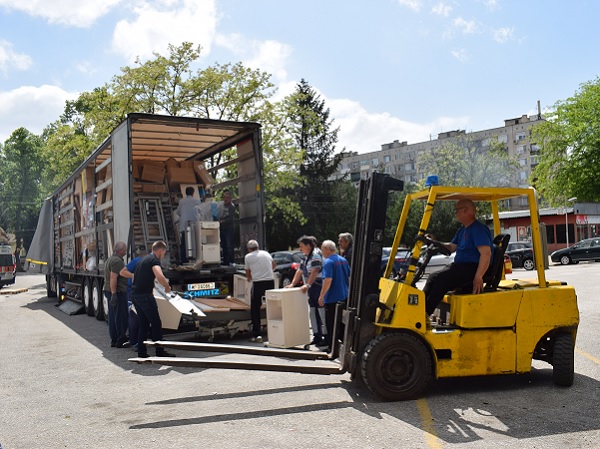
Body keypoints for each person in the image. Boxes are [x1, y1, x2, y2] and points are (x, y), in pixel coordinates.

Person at [423, 199, 493, 316]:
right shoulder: (462, 230)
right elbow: (451, 247)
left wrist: (478, 276)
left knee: (441, 280)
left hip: (472, 268)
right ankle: (419, 311)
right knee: (432, 277)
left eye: (457, 210)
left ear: (465, 210)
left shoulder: (478, 229)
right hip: (461, 267)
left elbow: (486, 254)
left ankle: (425, 314)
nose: (455, 213)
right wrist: (435, 242)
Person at [131, 240, 176, 358]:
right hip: (145, 297)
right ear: (160, 250)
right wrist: (167, 287)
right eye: (164, 252)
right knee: (156, 323)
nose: (163, 255)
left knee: (144, 324)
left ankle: (142, 352)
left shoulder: (143, 260)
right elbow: (159, 275)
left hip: (136, 295)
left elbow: (139, 277)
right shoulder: (154, 260)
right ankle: (159, 352)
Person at [287, 235, 327, 346]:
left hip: (317, 285)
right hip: (311, 287)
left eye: (302, 246)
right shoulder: (305, 257)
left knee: (321, 311)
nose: (300, 249)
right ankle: (317, 335)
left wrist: (308, 285)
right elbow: (299, 271)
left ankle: (326, 336)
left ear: (308, 246)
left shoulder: (315, 255)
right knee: (313, 311)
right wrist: (292, 284)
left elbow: (315, 271)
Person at [318, 240, 350, 351]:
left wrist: (322, 296)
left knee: (331, 324)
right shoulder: (343, 260)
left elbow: (328, 280)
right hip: (344, 296)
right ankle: (342, 346)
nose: (322, 252)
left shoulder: (328, 262)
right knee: (341, 324)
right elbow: (349, 277)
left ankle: (332, 348)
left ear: (327, 249)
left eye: (322, 249)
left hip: (332, 298)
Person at [244, 239, 276, 343]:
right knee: (272, 306)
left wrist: (249, 278)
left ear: (249, 249)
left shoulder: (248, 257)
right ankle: (274, 331)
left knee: (255, 308)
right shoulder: (266, 253)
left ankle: (257, 334)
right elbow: (274, 265)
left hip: (258, 283)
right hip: (270, 281)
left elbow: (248, 272)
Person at [103, 241, 134, 348]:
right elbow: (113, 278)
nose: (126, 251)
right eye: (125, 249)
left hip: (110, 291)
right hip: (118, 292)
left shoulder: (110, 259)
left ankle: (114, 339)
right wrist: (114, 294)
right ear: (120, 250)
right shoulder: (117, 262)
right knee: (120, 317)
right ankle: (120, 339)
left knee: (112, 316)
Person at [126, 245, 148, 350]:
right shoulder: (137, 261)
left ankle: (137, 341)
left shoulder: (143, 262)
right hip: (134, 292)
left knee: (138, 317)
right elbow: (124, 271)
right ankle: (135, 341)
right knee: (135, 317)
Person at [175, 186, 202, 263]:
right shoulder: (197, 201)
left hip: (184, 224)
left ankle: (184, 260)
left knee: (184, 243)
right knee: (196, 242)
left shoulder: (182, 201)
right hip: (194, 224)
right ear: (193, 193)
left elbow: (178, 212)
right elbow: (200, 212)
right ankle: (196, 258)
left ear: (185, 193)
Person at [218, 190, 237, 265]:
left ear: (230, 199)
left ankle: (231, 261)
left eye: (227, 197)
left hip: (229, 228)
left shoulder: (231, 207)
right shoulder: (221, 206)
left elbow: (230, 218)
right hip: (222, 228)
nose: (225, 199)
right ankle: (225, 261)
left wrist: (222, 221)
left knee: (229, 245)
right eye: (224, 197)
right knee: (223, 245)